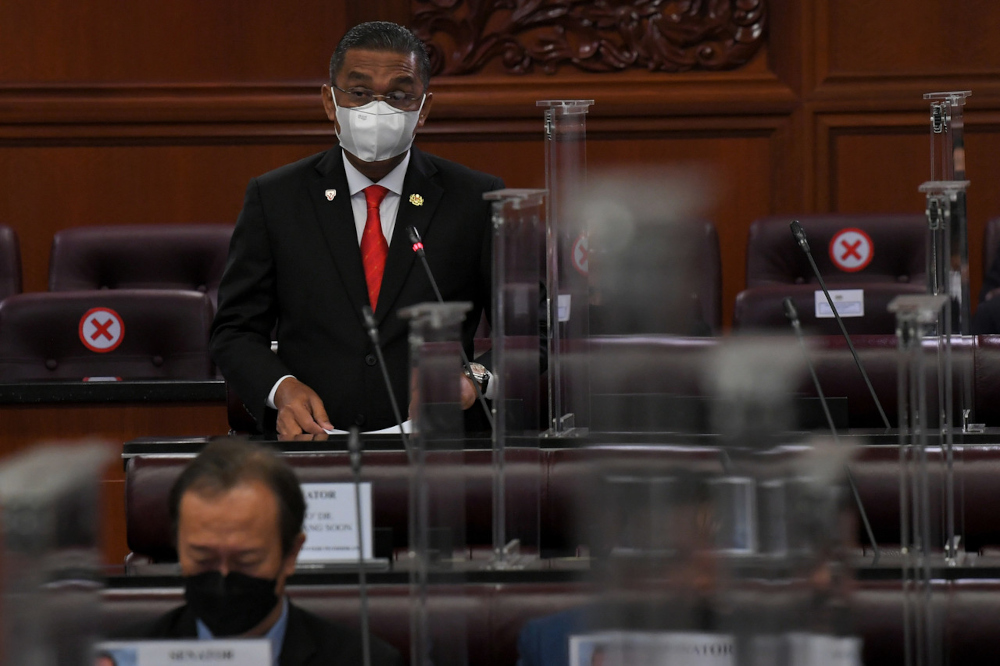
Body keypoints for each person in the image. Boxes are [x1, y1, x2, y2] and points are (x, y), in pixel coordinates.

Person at [210, 21, 503, 437]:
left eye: (399, 94)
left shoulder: (476, 197)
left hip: (442, 449)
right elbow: (235, 330)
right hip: (314, 447)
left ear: (424, 109)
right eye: (360, 92)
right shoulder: (275, 198)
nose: (377, 109)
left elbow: (534, 334)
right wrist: (281, 390)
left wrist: (473, 378)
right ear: (330, 102)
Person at [121, 440, 402, 666]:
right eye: (203, 558)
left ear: (291, 554)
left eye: (247, 560)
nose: (224, 576)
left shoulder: (365, 661)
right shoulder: (126, 658)